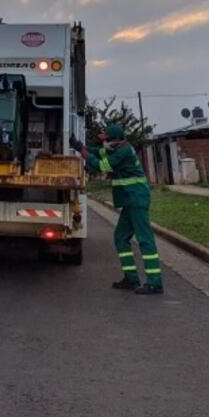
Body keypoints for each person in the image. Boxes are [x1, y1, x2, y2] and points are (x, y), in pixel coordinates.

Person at [75, 123, 164, 295]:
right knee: (121, 237)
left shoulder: (122, 152)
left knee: (144, 239)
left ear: (114, 140)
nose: (104, 143)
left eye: (106, 139)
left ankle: (155, 282)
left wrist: (82, 152)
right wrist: (80, 146)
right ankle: (131, 278)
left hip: (136, 199)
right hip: (131, 200)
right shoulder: (117, 148)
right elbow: (97, 151)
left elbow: (102, 165)